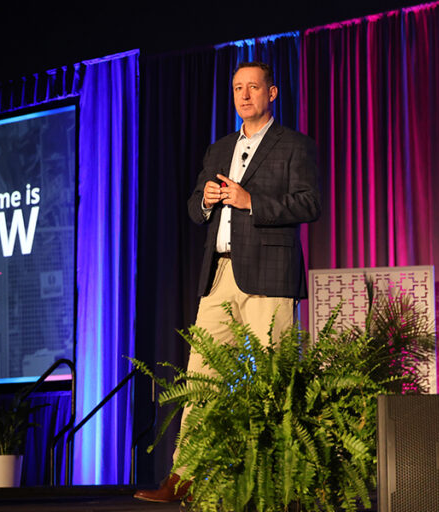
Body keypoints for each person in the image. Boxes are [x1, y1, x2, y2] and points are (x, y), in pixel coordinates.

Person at [134, 61, 321, 502]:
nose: (244, 95)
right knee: (200, 379)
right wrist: (206, 198)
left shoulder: (294, 145)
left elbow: (309, 203)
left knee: (272, 382)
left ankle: (280, 480)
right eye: (238, 88)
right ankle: (184, 477)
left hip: (269, 277)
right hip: (219, 275)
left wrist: (250, 200)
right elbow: (193, 211)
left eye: (253, 87)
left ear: (271, 93)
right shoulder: (219, 150)